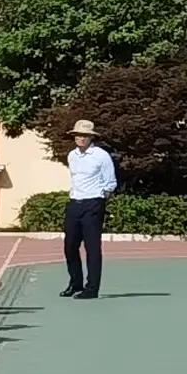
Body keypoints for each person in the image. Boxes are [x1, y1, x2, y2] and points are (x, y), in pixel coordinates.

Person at [61, 118, 117, 297]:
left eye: (85, 135)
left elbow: (110, 183)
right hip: (74, 203)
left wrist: (99, 200)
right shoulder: (72, 155)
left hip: (93, 203)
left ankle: (92, 288)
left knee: (92, 248)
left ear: (91, 137)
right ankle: (75, 283)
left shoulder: (101, 156)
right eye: (78, 135)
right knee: (70, 246)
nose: (81, 138)